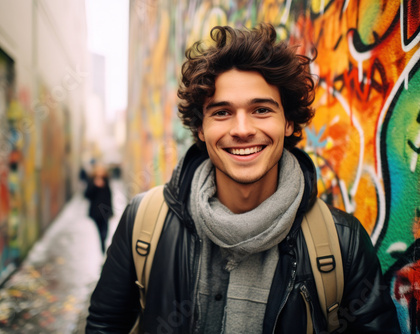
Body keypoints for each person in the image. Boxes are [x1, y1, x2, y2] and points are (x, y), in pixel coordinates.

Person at [86, 24, 400, 333]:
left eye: (261, 110)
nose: (242, 129)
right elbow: (104, 325)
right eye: (222, 112)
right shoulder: (143, 222)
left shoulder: (343, 242)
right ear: (201, 129)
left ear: (288, 122)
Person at [84, 164, 113, 254]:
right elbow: (87, 195)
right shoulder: (92, 181)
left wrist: (111, 211)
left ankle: (103, 244)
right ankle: (102, 248)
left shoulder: (106, 181)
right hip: (96, 211)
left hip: (105, 210)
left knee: (105, 230)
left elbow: (109, 196)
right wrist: (95, 186)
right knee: (100, 230)